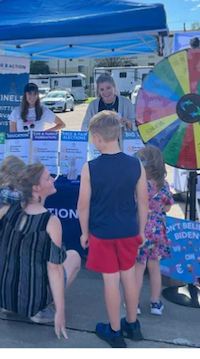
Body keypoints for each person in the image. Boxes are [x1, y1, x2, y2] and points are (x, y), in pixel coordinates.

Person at [78, 111, 148, 348]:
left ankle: (115, 331)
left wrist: (84, 232)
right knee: (128, 277)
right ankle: (132, 324)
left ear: (97, 138)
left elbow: (83, 205)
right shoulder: (136, 164)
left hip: (102, 233)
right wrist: (142, 231)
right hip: (129, 231)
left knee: (111, 281)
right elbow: (143, 202)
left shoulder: (90, 168)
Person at [0, 163, 81, 339]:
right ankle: (42, 309)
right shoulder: (50, 221)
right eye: (48, 177)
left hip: (0, 294)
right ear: (37, 188)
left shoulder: (8, 208)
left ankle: (11, 304)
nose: (53, 179)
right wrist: (60, 311)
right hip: (31, 301)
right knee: (74, 257)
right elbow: (55, 270)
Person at [134, 146, 174, 316]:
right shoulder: (163, 186)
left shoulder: (137, 185)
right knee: (155, 267)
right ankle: (155, 303)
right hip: (158, 231)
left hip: (140, 230)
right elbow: (167, 207)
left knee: (138, 268)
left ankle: (133, 303)